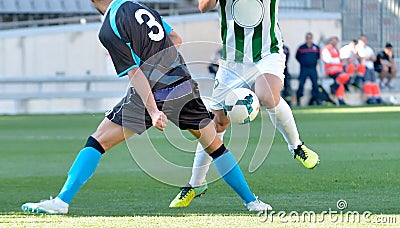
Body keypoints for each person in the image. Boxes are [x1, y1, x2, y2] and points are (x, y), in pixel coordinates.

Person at [21, 0, 272, 214]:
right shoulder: (139, 7)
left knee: (98, 141)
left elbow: (135, 73)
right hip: (183, 82)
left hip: (152, 89)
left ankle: (61, 201)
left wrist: (154, 110)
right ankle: (253, 202)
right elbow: (175, 38)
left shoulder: (109, 29)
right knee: (216, 147)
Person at [169, 0, 320, 208]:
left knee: (267, 95)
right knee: (215, 125)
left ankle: (296, 146)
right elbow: (204, 6)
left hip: (267, 54)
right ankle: (195, 184)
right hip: (232, 61)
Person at [321, 36, 350, 105]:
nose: (335, 42)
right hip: (331, 70)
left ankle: (340, 99)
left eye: (336, 41)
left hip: (338, 70)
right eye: (333, 40)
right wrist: (338, 60)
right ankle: (333, 86)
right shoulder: (326, 49)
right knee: (344, 77)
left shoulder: (336, 50)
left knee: (341, 84)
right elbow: (326, 60)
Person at [356, 35, 383, 104]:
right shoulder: (358, 48)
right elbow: (363, 58)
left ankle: (377, 97)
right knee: (367, 82)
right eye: (362, 40)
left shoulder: (369, 48)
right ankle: (369, 97)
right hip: (364, 67)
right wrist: (369, 58)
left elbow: (374, 58)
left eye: (365, 40)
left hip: (371, 67)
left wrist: (369, 58)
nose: (364, 41)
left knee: (374, 83)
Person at [295, 32, 320, 106]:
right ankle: (298, 100)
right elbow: (297, 57)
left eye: (310, 38)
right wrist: (303, 62)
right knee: (301, 84)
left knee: (315, 84)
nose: (309, 39)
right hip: (304, 68)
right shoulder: (301, 47)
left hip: (313, 68)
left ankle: (316, 100)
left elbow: (318, 57)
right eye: (307, 38)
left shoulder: (316, 47)